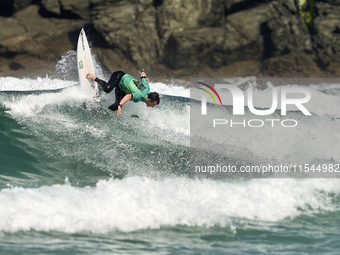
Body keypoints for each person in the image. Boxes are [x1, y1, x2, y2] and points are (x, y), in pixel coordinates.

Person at [86, 71, 160, 116]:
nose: (152, 106)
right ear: (149, 100)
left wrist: (145, 77)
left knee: (115, 106)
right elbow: (128, 96)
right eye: (153, 104)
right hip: (118, 76)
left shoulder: (147, 88)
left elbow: (143, 74)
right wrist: (121, 105)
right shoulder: (140, 96)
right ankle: (95, 78)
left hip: (122, 88)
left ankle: (101, 112)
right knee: (107, 89)